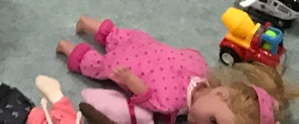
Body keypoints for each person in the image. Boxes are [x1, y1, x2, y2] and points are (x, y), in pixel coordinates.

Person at [56, 17, 296, 124]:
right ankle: (66, 48)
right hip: (129, 65)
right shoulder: (171, 103)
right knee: (96, 65)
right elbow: (145, 94)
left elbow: (188, 53)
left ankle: (87, 22)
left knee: (116, 35)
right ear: (220, 93)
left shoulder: (202, 70)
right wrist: (128, 79)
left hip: (145, 46)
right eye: (213, 121)